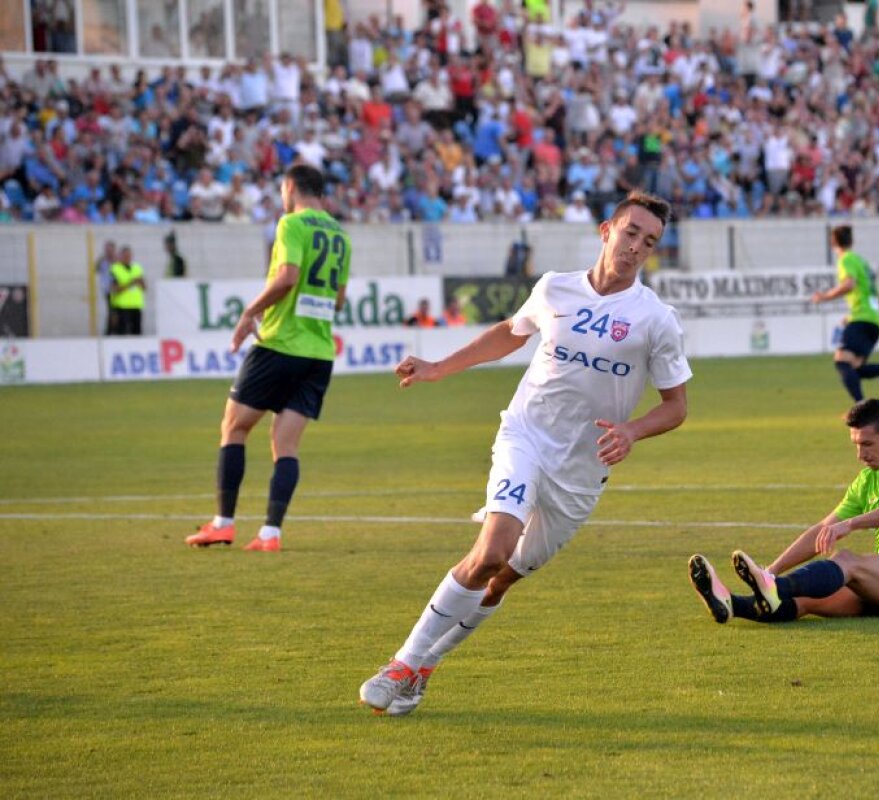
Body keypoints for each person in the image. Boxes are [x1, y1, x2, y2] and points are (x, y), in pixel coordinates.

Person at [358, 190, 692, 717]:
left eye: (649, 241)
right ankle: (403, 663)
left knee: (501, 579)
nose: (636, 247)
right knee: (491, 551)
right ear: (607, 230)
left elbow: (676, 406)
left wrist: (632, 431)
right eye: (631, 233)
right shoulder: (555, 287)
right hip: (526, 437)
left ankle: (425, 667)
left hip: (581, 472)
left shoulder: (655, 319)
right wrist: (439, 367)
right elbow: (511, 334)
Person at [185, 164, 351, 553]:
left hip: (279, 344)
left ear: (290, 188)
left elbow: (287, 277)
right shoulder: (341, 235)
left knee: (234, 428)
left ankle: (223, 524)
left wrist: (250, 313)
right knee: (286, 446)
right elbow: (339, 300)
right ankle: (270, 534)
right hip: (319, 352)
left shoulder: (291, 224)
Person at [689, 398, 879, 624]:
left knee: (846, 560)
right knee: (805, 600)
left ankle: (774, 588)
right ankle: (731, 604)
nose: (860, 455)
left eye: (867, 444)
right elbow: (822, 530)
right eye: (856, 445)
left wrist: (851, 524)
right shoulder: (868, 480)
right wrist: (770, 572)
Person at [810, 226, 879, 403]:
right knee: (856, 369)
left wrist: (824, 297)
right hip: (873, 320)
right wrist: (877, 315)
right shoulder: (862, 262)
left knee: (842, 361)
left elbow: (849, 284)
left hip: (863, 318)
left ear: (832, 242)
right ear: (852, 241)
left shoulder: (846, 259)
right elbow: (874, 293)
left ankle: (861, 407)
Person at [109, 245, 145, 336]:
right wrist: (131, 283)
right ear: (121, 256)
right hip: (122, 307)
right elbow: (114, 288)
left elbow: (144, 287)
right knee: (123, 333)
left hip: (136, 306)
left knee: (137, 333)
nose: (127, 258)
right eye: (125, 256)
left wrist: (141, 283)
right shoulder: (115, 269)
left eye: (129, 255)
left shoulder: (137, 268)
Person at [94, 239, 118, 335]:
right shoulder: (103, 261)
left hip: (118, 289)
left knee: (115, 311)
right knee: (111, 310)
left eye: (109, 250)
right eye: (106, 250)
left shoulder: (117, 261)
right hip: (107, 290)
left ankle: (113, 330)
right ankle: (110, 331)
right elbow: (96, 269)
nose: (108, 252)